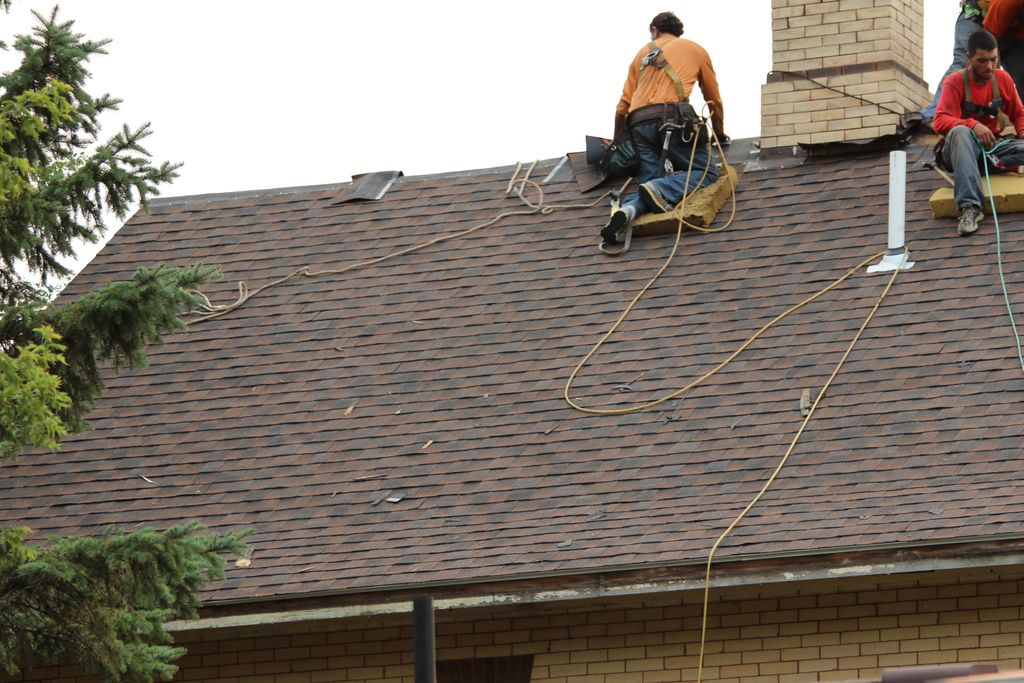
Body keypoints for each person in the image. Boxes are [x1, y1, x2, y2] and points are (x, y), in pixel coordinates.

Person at [601, 11, 727, 245]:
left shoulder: (641, 54)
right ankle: (657, 187)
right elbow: (713, 98)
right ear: (678, 32)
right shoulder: (696, 50)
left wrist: (618, 141)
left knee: (648, 183)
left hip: (637, 125)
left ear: (654, 30)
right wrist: (719, 133)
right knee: (706, 172)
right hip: (672, 119)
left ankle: (627, 211)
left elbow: (622, 106)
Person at [933, 29, 1024, 236]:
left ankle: (982, 169)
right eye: (982, 61)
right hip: (961, 150)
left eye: (994, 60)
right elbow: (938, 121)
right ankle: (970, 208)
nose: (989, 67)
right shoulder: (955, 82)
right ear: (969, 57)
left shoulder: (1002, 79)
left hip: (992, 152)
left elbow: (1019, 113)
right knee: (960, 132)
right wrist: (973, 125)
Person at [923, 2, 989, 126]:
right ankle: (934, 113)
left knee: (1018, 71)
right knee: (963, 62)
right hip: (975, 17)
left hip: (1008, 26)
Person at [983, 0, 1024, 96]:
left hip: (1015, 37)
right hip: (987, 29)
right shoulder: (1006, 3)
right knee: (968, 64)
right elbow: (987, 40)